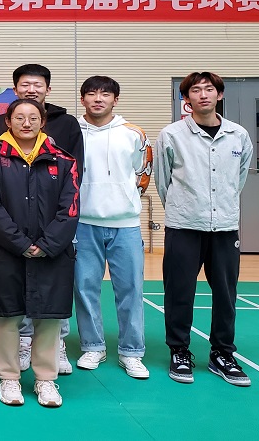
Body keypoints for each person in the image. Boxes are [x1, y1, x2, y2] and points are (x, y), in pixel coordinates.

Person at [0, 64, 83, 374]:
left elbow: (70, 204)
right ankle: (9, 376)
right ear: (7, 121)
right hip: (7, 247)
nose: (26, 123)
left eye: (33, 118)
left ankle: (46, 377)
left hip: (52, 247)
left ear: (43, 121)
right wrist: (20, 242)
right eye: (19, 118)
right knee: (7, 313)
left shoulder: (63, 158)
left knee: (50, 313)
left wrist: (48, 243)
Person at [155, 71, 253, 387]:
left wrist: (221, 205)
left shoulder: (238, 135)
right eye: (195, 91)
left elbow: (238, 179)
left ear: (219, 95)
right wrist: (185, 208)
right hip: (184, 225)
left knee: (225, 293)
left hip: (225, 226)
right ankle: (179, 351)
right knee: (179, 292)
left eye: (209, 89)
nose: (203, 95)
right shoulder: (171, 135)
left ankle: (222, 353)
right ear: (186, 99)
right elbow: (163, 181)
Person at [73, 76, 152, 379]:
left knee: (130, 289)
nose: (98, 99)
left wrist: (124, 200)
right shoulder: (72, 131)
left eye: (105, 94)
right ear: (83, 99)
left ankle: (131, 352)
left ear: (115, 100)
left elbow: (143, 172)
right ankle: (93, 346)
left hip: (126, 225)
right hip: (83, 223)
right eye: (91, 94)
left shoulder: (132, 133)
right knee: (84, 288)